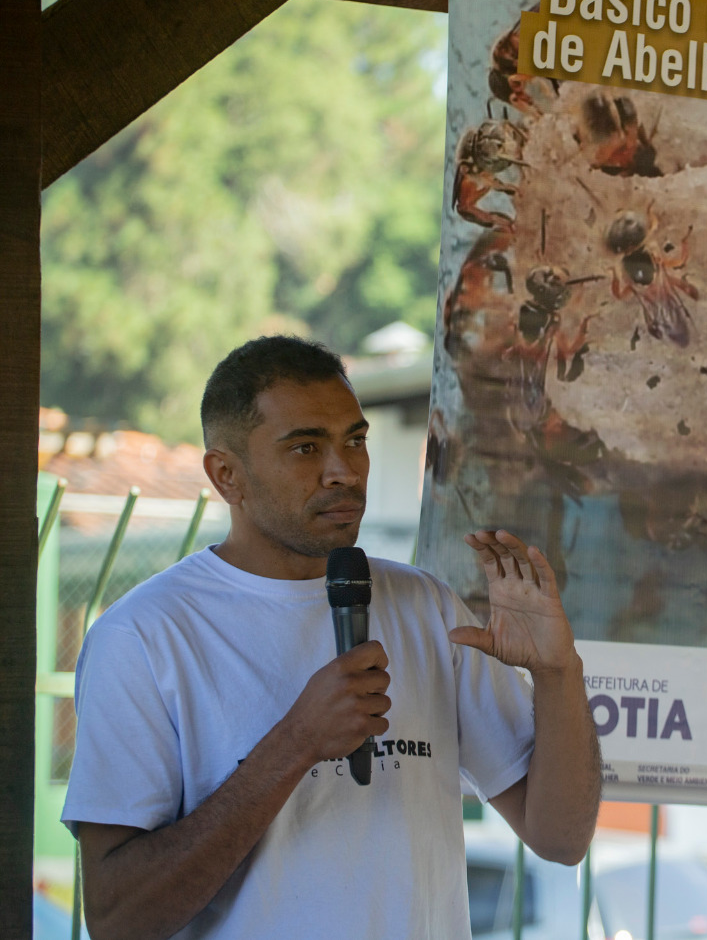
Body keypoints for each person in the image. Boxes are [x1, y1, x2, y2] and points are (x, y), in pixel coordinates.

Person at [62, 335, 601, 940]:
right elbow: (117, 919)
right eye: (306, 447)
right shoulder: (144, 636)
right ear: (226, 475)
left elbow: (561, 839)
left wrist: (559, 672)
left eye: (355, 441)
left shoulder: (426, 606)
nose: (344, 471)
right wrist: (296, 743)